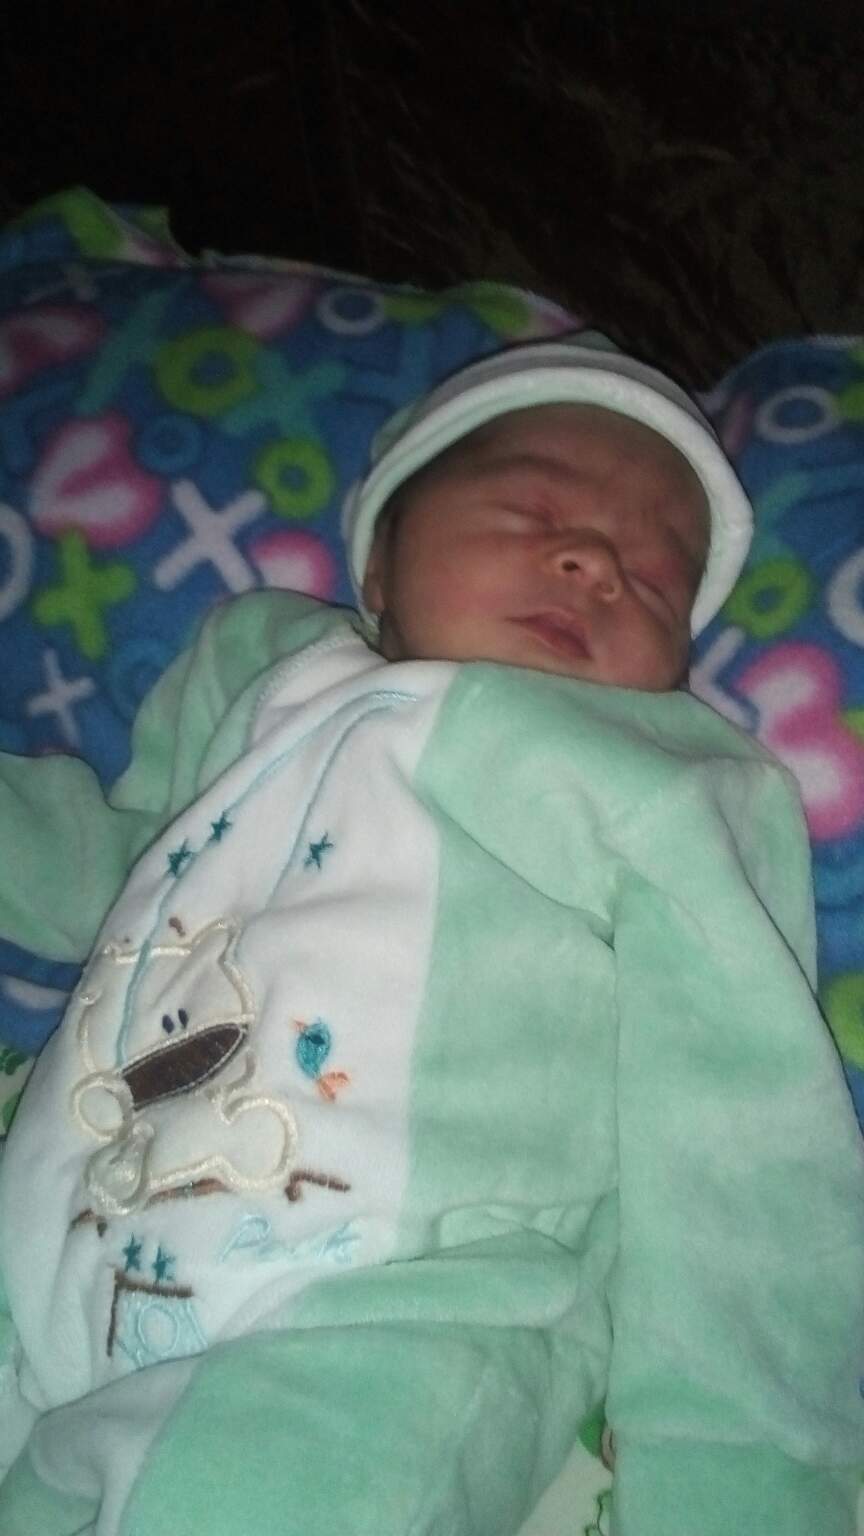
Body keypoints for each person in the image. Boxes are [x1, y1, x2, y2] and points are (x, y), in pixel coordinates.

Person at [0, 335, 861, 1536]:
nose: (598, 565)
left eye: (658, 581)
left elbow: (739, 1129)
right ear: (380, 563)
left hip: (399, 1305)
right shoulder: (263, 676)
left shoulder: (662, 778)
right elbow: (135, 860)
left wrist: (741, 1465)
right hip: (49, 1242)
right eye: (534, 508)